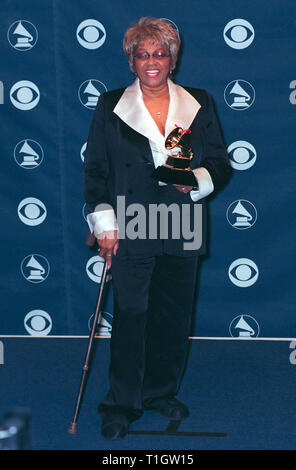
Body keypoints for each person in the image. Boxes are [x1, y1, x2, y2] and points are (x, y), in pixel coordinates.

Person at [83, 17, 232, 440]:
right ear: (132, 60)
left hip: (182, 216)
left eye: (160, 53)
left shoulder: (198, 102)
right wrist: (104, 223)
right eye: (143, 54)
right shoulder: (110, 105)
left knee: (171, 316)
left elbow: (220, 162)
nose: (152, 61)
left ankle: (159, 392)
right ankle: (121, 404)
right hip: (131, 221)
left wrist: (198, 179)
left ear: (172, 59)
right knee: (131, 315)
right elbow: (95, 171)